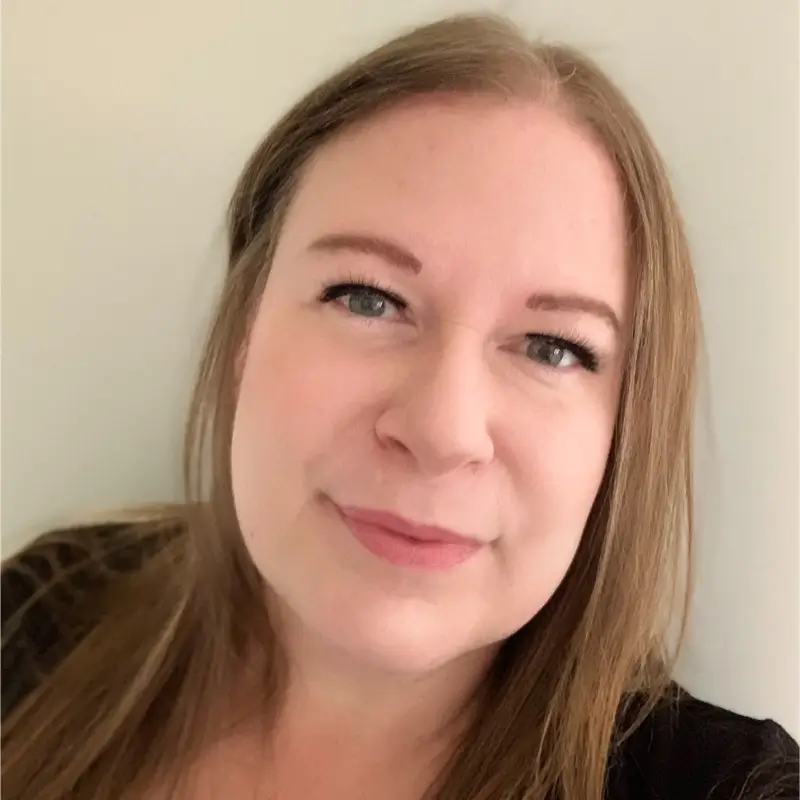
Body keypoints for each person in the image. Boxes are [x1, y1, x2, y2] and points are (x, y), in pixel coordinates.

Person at [1, 12, 797, 800]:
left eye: (554, 348)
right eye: (368, 299)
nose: (441, 430)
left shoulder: (721, 785)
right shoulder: (42, 618)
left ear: (623, 435)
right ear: (243, 330)